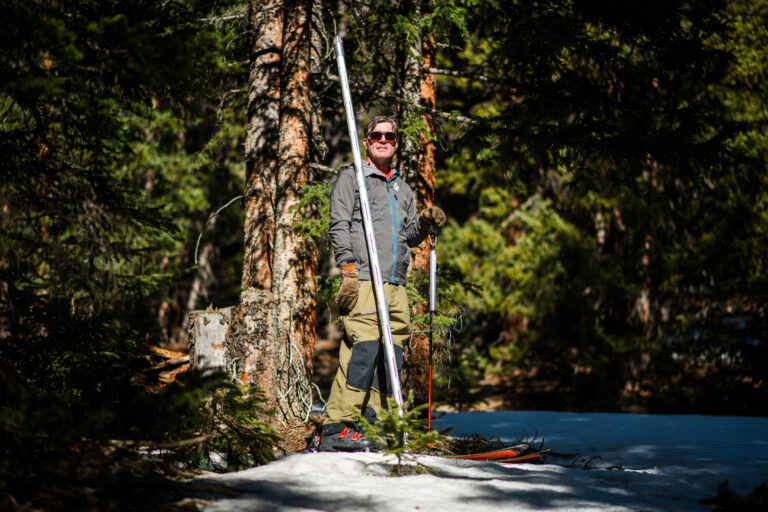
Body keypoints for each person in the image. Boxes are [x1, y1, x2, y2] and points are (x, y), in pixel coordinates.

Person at [320, 115, 446, 451]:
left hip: (395, 283)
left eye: (390, 136)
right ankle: (338, 426)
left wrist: (426, 222)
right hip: (362, 278)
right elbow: (339, 224)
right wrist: (347, 269)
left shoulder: (400, 187)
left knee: (391, 355)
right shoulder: (352, 177)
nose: (383, 139)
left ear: (396, 143)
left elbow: (408, 235)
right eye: (377, 134)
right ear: (366, 140)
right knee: (362, 349)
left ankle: (373, 424)